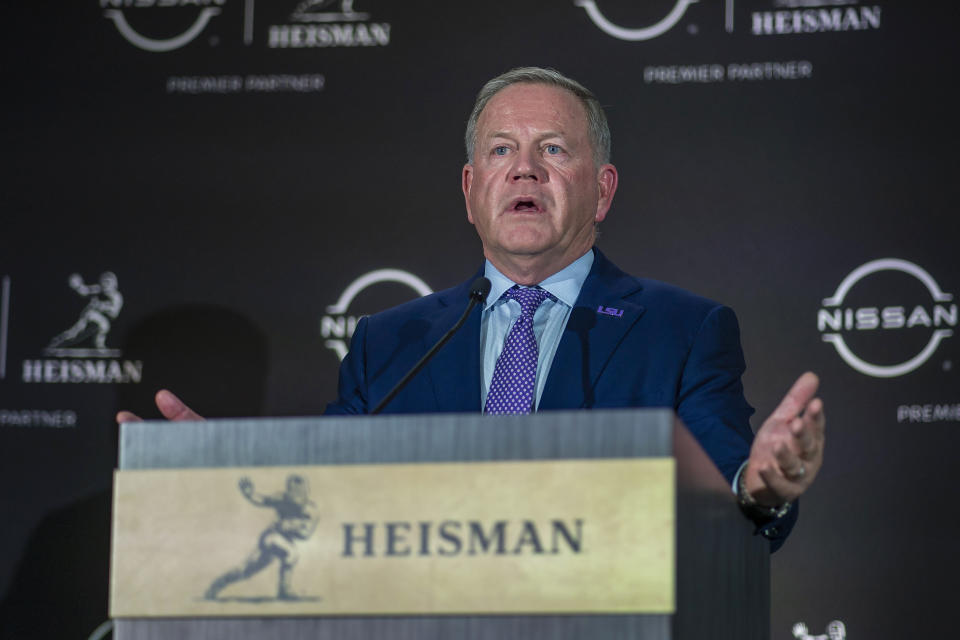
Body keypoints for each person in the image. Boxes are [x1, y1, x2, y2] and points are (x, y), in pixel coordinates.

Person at [118, 67, 825, 550]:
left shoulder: (683, 331)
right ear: (469, 188)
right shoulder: (388, 343)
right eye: (501, 150)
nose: (525, 168)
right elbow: (328, 500)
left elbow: (739, 493)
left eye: (553, 149)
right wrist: (226, 485)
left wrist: (762, 489)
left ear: (602, 190)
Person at [204, 474, 318, 601]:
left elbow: (306, 535)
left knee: (246, 570)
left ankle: (218, 585)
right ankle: (284, 590)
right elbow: (263, 500)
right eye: (292, 491)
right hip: (271, 536)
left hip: (284, 540)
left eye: (299, 492)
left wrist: (292, 527)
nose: (295, 495)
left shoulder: (311, 511)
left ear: (306, 492)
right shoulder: (282, 498)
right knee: (291, 553)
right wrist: (250, 494)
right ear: (288, 491)